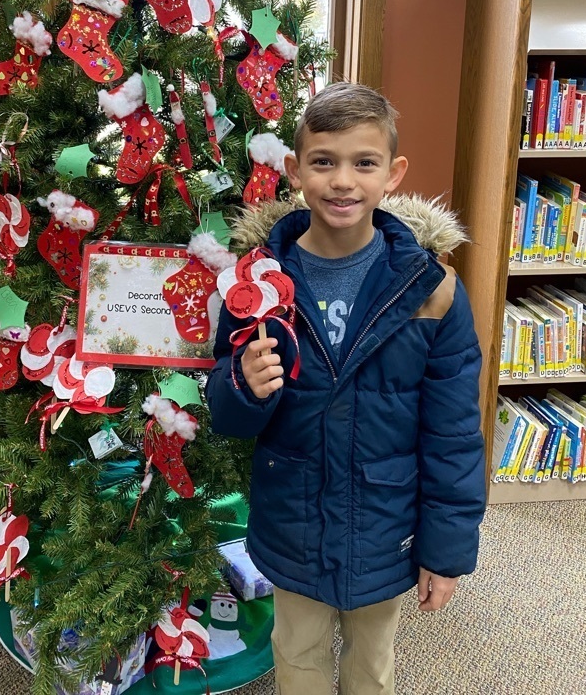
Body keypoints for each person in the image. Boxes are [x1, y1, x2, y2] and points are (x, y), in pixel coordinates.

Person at [205, 81, 487, 695]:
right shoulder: (255, 285)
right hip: (293, 517)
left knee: (371, 664)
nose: (342, 181)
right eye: (324, 161)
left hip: (385, 522)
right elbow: (225, 412)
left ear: (393, 173)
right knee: (298, 656)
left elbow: (454, 433)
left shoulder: (431, 290)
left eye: (364, 163)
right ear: (294, 169)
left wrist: (446, 548)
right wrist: (243, 387)